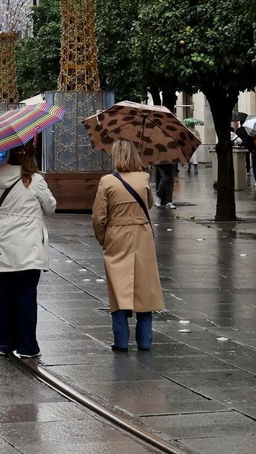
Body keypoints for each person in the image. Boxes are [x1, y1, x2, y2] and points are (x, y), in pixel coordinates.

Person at [0, 143, 56, 358]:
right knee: (26, 296)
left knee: (4, 296)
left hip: (2, 246)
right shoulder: (35, 181)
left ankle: (3, 343)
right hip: (29, 248)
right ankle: (27, 346)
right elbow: (51, 207)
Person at [92, 139, 164, 352]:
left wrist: (103, 238)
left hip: (117, 236)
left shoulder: (107, 181)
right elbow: (149, 204)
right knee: (145, 289)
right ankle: (144, 341)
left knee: (118, 288)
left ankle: (121, 341)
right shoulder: (144, 178)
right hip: (142, 236)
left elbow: (99, 217)